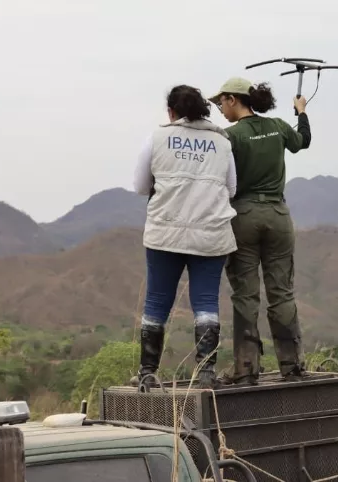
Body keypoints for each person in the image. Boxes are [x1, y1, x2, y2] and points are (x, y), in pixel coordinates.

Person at [129, 84, 238, 389]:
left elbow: (140, 186)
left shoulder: (158, 137)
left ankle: (148, 374)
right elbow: (231, 189)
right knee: (205, 302)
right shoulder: (221, 141)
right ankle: (205, 373)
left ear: (171, 112)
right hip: (211, 233)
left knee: (156, 301)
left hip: (165, 232)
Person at [207, 77, 312, 386]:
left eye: (220, 103)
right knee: (282, 292)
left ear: (232, 99)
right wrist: (301, 112)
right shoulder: (279, 126)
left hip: (244, 216)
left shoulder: (229, 136)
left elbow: (218, 178)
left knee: (246, 295)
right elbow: (303, 141)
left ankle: (245, 368)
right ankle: (292, 366)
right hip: (279, 216)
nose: (219, 109)